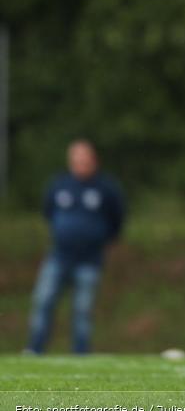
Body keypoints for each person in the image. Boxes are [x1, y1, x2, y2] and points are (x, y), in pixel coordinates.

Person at [26, 139, 125, 354]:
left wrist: (101, 239)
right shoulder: (59, 185)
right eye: (76, 159)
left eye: (84, 158)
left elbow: (117, 219)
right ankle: (34, 349)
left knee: (82, 309)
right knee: (43, 301)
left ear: (93, 160)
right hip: (59, 256)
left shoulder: (106, 188)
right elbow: (48, 213)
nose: (80, 163)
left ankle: (80, 352)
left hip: (89, 260)